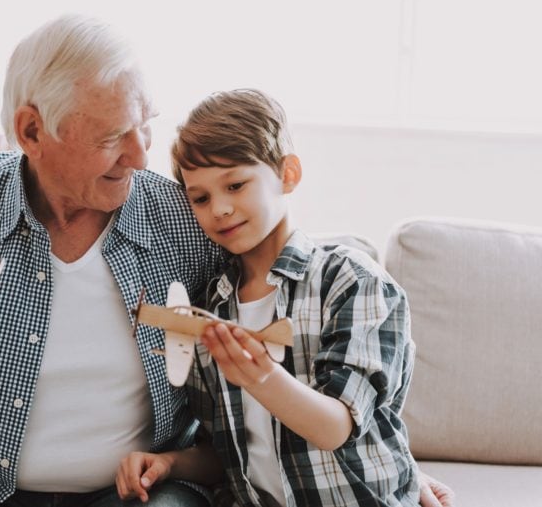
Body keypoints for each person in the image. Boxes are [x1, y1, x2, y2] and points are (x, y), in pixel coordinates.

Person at [0, 14, 452, 507]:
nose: (141, 157)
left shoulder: (181, 215)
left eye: (147, 125)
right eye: (113, 137)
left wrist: (390, 463)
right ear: (32, 131)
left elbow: (308, 297)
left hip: (136, 490)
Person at [115, 89, 456, 507]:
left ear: (287, 174)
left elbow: (336, 427)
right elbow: (230, 453)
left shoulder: (351, 281)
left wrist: (261, 377)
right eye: (200, 198)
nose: (219, 208)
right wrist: (169, 463)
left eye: (236, 185)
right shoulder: (212, 304)